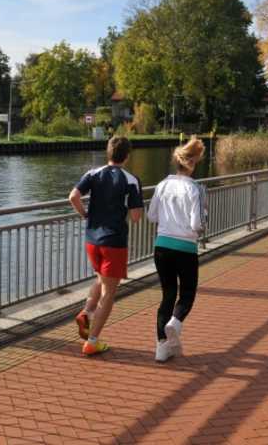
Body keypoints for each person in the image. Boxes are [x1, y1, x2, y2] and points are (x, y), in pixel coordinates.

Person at [68, 135, 144, 355]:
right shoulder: (131, 180)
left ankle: (86, 313)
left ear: (108, 152)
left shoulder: (92, 173)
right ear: (127, 156)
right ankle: (92, 341)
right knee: (109, 293)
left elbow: (73, 196)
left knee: (101, 279)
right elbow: (136, 217)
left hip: (92, 239)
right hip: (114, 241)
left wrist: (85, 215)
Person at [146, 136, 207, 362]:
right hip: (185, 247)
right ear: (193, 163)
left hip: (162, 246)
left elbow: (151, 216)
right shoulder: (195, 188)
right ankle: (175, 323)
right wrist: (203, 222)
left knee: (168, 295)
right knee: (187, 293)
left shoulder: (162, 185)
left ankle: (161, 349)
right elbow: (196, 224)